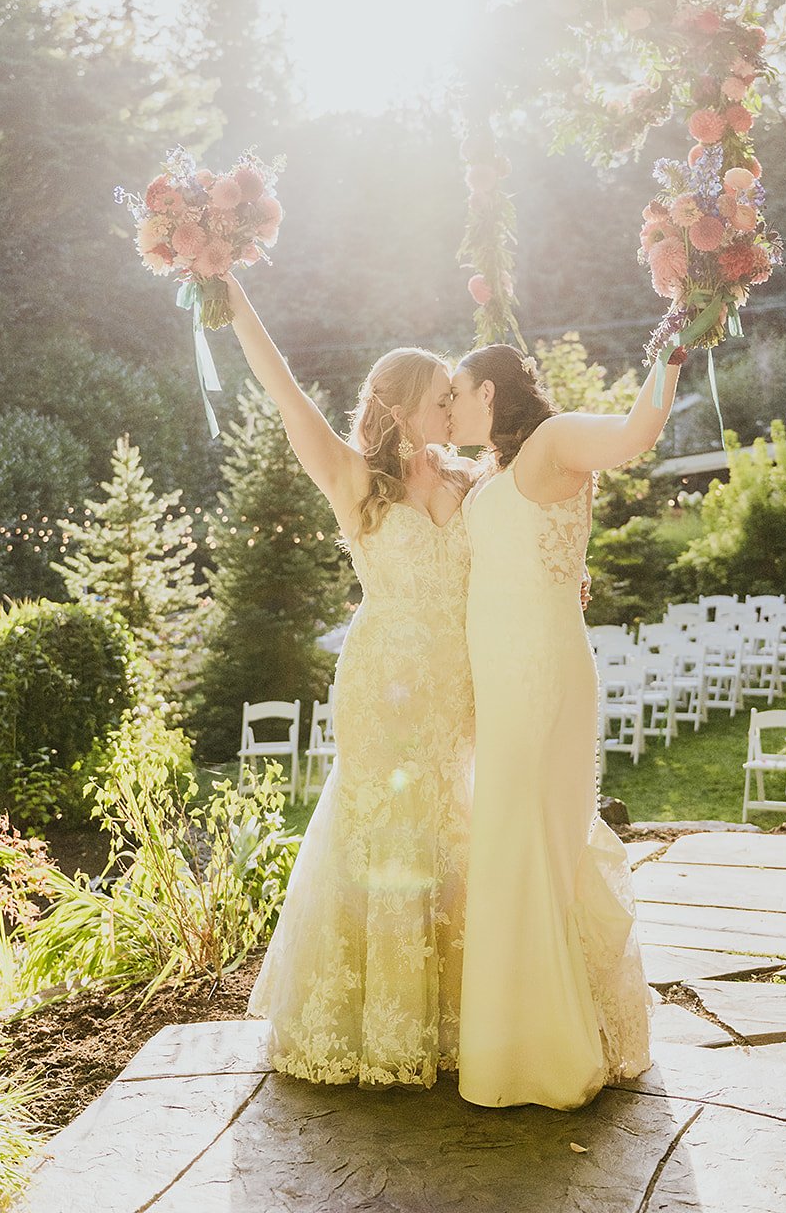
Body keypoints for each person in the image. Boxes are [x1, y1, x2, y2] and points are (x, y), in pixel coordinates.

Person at [225, 273, 476, 1087]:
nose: (453, 408)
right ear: (399, 407)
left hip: (461, 682)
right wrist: (229, 294)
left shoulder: (475, 482)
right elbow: (286, 392)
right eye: (441, 397)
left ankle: (465, 1012)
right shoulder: (354, 481)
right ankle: (373, 1021)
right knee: (387, 829)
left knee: (458, 826)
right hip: (383, 683)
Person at [448, 341, 686, 1110]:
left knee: (526, 838)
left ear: (487, 391)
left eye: (455, 394)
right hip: (501, 672)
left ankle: (538, 1052)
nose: (448, 407)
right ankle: (513, 1038)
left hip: (539, 670)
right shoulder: (493, 471)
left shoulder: (552, 441)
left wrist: (672, 349)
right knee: (509, 838)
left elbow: (631, 437)